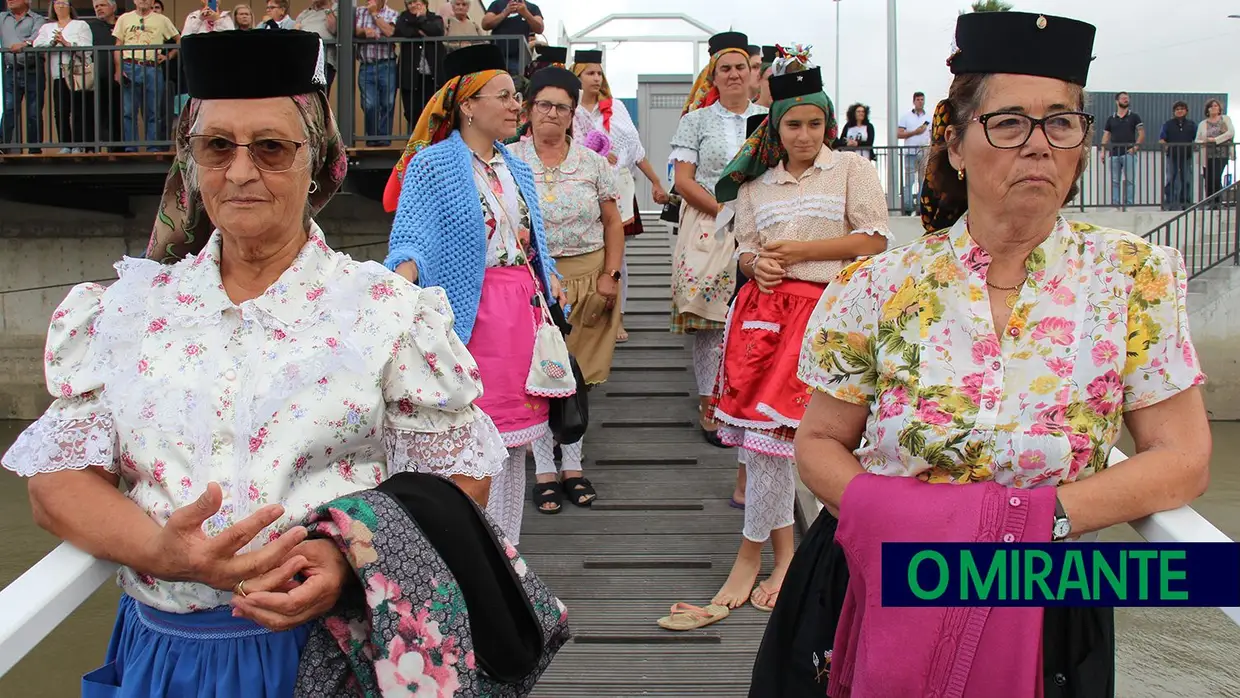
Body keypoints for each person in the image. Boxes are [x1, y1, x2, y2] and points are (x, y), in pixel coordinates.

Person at [1, 29, 506, 696]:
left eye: (271, 148)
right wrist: (163, 552)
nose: (241, 172)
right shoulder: (128, 311)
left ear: (317, 157)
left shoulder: (387, 311)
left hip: (328, 654)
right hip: (162, 657)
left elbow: (455, 476)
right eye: (217, 147)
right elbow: (57, 482)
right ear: (191, 161)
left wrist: (343, 556)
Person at [751, 12, 1210, 697]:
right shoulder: (877, 284)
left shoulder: (1135, 277)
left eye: (1061, 122)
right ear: (957, 144)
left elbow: (1183, 459)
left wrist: (1031, 522)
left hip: (1046, 586)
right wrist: (897, 524)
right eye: (1008, 123)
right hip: (876, 568)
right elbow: (818, 441)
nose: (1038, 145)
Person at [677, 55, 890, 625]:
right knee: (763, 445)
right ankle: (770, 557)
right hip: (765, 319)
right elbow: (746, 249)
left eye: (814, 124)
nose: (803, 135)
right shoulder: (754, 186)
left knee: (835, 443)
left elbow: (872, 242)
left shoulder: (851, 170)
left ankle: (827, 558)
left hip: (831, 316)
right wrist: (757, 265)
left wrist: (796, 254)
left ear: (828, 124)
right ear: (776, 127)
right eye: (792, 124)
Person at [384, 43, 567, 546]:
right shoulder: (434, 165)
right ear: (467, 103)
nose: (517, 105)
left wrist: (551, 284)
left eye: (517, 96)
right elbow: (413, 236)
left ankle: (508, 555)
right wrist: (399, 279)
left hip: (522, 317)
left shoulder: (517, 166)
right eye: (504, 96)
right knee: (469, 443)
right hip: (471, 316)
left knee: (513, 447)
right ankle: (469, 555)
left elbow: (535, 243)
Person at [512, 66, 623, 514]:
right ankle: (543, 470)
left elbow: (613, 222)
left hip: (588, 277)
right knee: (541, 376)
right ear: (529, 109)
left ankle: (572, 466)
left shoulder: (593, 163)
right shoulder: (509, 158)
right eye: (544, 105)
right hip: (533, 279)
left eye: (562, 107)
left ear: (574, 114)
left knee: (578, 378)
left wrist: (610, 276)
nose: (552, 114)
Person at [668, 30, 766, 447]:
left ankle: (745, 401)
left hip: (761, 224)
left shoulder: (769, 117)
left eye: (739, 67)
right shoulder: (696, 120)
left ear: (751, 72)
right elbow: (683, 180)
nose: (732, 74)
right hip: (711, 224)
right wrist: (724, 211)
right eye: (723, 68)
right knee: (711, 322)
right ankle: (710, 403)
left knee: (755, 316)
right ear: (713, 75)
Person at [571, 48, 670, 343]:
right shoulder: (568, 110)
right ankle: (585, 315)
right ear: (577, 77)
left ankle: (618, 319)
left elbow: (636, 151)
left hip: (615, 191)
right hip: (578, 192)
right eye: (589, 72)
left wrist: (655, 183)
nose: (596, 78)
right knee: (586, 256)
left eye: (599, 73)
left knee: (618, 258)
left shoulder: (615, 109)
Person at [32, 0, 93, 153]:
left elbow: (87, 49)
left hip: (77, 73)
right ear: (52, 7)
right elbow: (37, 44)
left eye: (63, 3)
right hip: (58, 73)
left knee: (79, 109)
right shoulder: (47, 27)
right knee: (60, 110)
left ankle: (80, 144)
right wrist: (52, 43)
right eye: (57, 3)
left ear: (70, 6)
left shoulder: (81, 25)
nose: (60, 6)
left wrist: (66, 43)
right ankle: (66, 144)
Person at [1, 0, 47, 152]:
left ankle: (34, 150)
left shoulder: (37, 19)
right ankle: (3, 147)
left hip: (33, 71)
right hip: (11, 71)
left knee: (33, 112)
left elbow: (39, 37)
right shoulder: (2, 17)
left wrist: (24, 44)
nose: (10, 0)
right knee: (8, 110)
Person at [394, 0, 445, 131]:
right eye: (409, 3)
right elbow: (403, 31)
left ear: (425, 4)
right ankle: (415, 143)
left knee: (433, 111)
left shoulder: (435, 18)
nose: (413, 6)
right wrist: (422, 30)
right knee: (412, 111)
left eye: (416, 2)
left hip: (432, 76)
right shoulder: (403, 18)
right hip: (411, 75)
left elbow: (437, 31)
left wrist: (421, 19)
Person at [1100, 91, 1143, 207]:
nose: (1126, 100)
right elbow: (1106, 135)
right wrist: (1103, 152)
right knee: (1115, 181)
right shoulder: (1111, 119)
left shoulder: (1134, 117)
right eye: (1123, 98)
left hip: (1129, 153)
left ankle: (1129, 204)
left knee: (1130, 181)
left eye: (1127, 98)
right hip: (1114, 153)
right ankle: (1116, 205)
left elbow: (1141, 133)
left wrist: (1136, 147)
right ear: (1117, 101)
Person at [481, 0, 542, 76]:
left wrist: (526, 13)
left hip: (518, 59)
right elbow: (485, 24)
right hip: (495, 57)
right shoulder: (497, 4)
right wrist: (505, 12)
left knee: (515, 84)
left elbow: (540, 28)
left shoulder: (532, 7)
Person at [897, 90, 930, 215]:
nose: (920, 102)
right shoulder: (906, 117)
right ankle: (908, 207)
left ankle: (921, 208)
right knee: (909, 180)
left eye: (922, 99)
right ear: (914, 101)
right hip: (910, 151)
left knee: (923, 180)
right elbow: (899, 134)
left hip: (924, 150)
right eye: (918, 100)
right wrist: (914, 132)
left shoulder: (929, 117)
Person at [1158, 101, 1196, 210]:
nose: (1179, 111)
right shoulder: (1168, 124)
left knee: (1187, 179)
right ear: (1174, 112)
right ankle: (1170, 202)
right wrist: (1165, 146)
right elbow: (1162, 139)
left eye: (1182, 109)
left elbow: (1197, 138)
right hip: (1172, 155)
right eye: (1177, 109)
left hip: (1187, 155)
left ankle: (1186, 202)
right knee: (1170, 178)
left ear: (1186, 111)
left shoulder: (1191, 124)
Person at [1197, 98, 1234, 201]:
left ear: (1219, 109)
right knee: (1208, 179)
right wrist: (1204, 142)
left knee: (1216, 177)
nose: (1213, 108)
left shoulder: (1225, 119)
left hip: (1221, 154)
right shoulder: (1202, 124)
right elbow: (1197, 140)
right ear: (1207, 110)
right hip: (1206, 155)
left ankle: (1217, 202)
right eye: (1211, 106)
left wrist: (1215, 140)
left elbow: (1230, 132)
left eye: (1215, 106)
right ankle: (1210, 202)